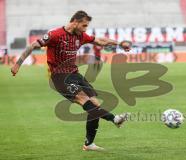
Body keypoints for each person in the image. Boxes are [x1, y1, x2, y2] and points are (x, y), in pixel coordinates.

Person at [11, 10, 131, 151]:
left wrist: (119, 44)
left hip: (75, 74)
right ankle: (114, 119)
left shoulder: (81, 35)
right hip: (60, 77)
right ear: (75, 22)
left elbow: (100, 41)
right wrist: (18, 64)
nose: (85, 29)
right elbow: (33, 46)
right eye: (84, 25)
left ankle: (89, 144)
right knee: (84, 101)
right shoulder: (55, 35)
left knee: (95, 105)